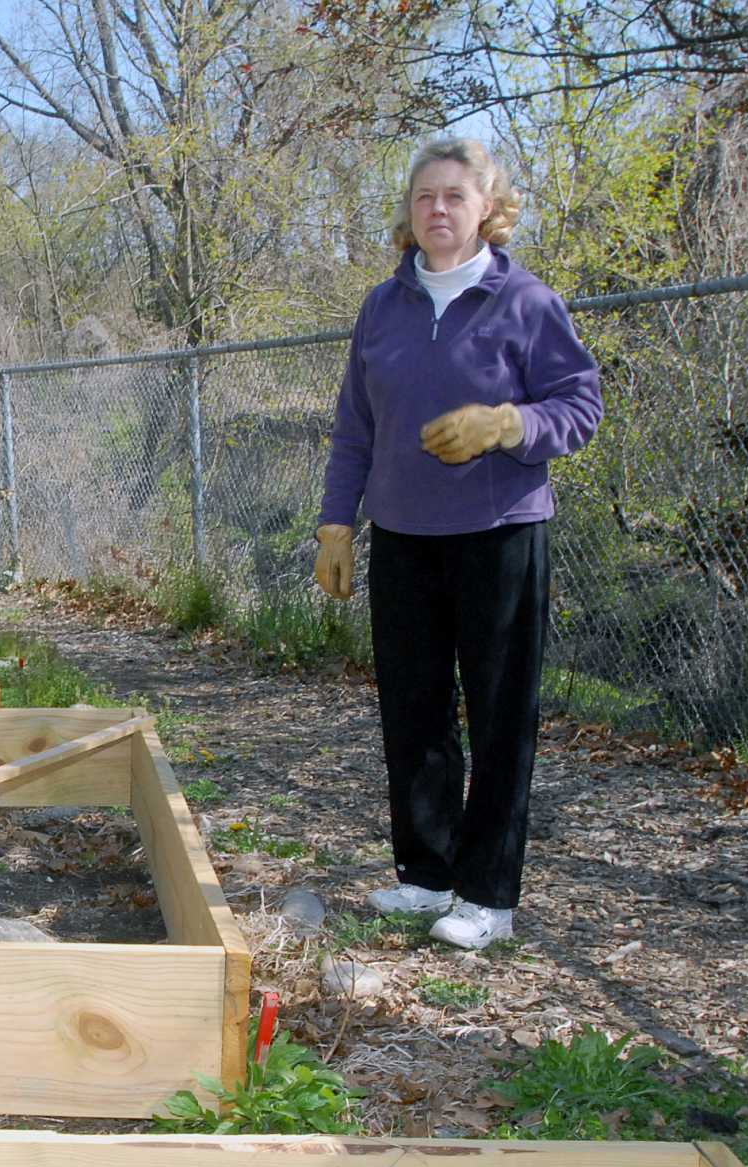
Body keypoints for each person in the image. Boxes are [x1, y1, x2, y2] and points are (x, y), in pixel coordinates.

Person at [314, 137, 602, 951]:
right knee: (414, 708)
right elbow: (353, 429)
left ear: (487, 208)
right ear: (408, 215)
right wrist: (338, 521)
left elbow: (580, 405)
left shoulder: (526, 301)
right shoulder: (383, 307)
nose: (437, 210)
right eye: (423, 198)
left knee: (502, 713)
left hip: (500, 535)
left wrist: (511, 424)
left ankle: (487, 895)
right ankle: (427, 874)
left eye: (454, 196)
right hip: (404, 538)